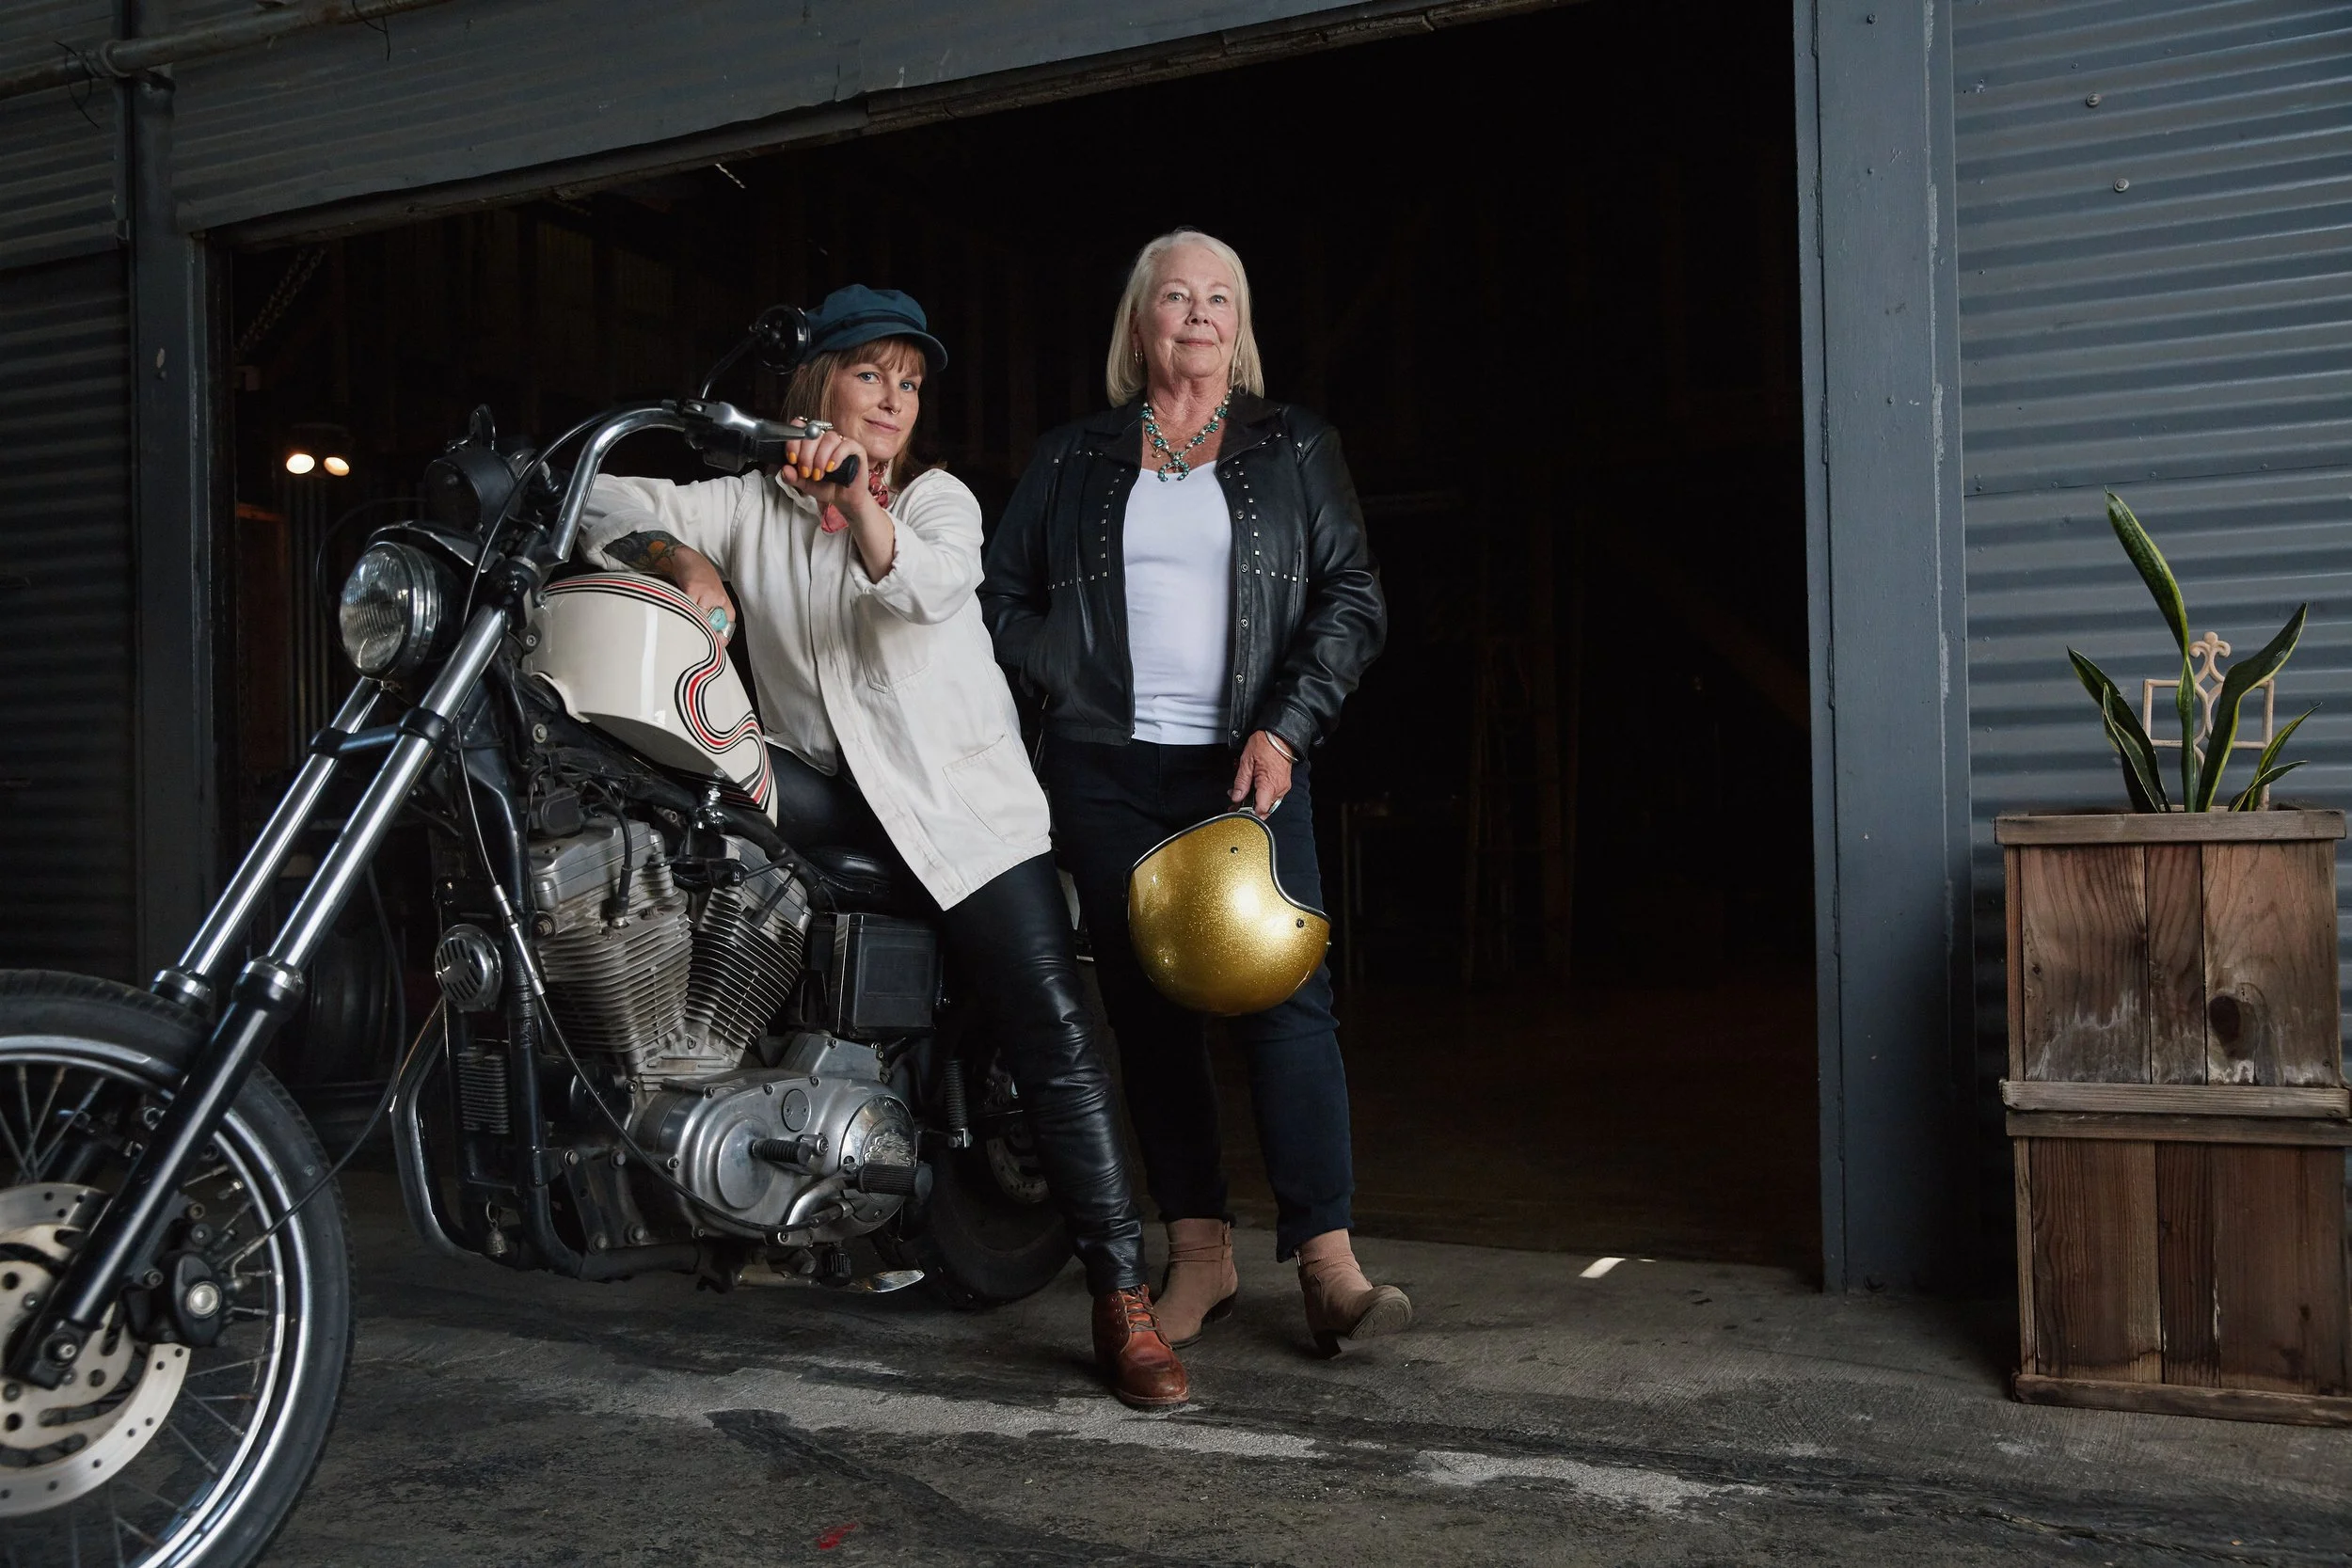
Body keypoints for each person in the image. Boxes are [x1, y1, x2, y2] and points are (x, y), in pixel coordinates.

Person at [573, 284, 1185, 1408]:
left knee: (1054, 1032)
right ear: (817, 382)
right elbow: (602, 494)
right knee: (681, 813)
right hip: (835, 801)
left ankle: (1118, 1290)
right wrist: (679, 557)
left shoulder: (940, 499)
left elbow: (925, 584)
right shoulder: (751, 503)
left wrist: (857, 497)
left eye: (909, 383)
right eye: (872, 375)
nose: (895, 399)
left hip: (964, 813)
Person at [980, 230, 1408, 1356]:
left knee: (1286, 999)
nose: (1200, 313)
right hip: (1108, 772)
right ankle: (1201, 1255)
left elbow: (1352, 598)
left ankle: (1328, 1260)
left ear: (1241, 324)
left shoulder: (1294, 446)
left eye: (1221, 297)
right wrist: (1063, 670)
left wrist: (1288, 725)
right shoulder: (1071, 459)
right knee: (1150, 1015)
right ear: (1140, 323)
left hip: (1248, 764)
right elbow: (996, 593)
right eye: (1177, 296)